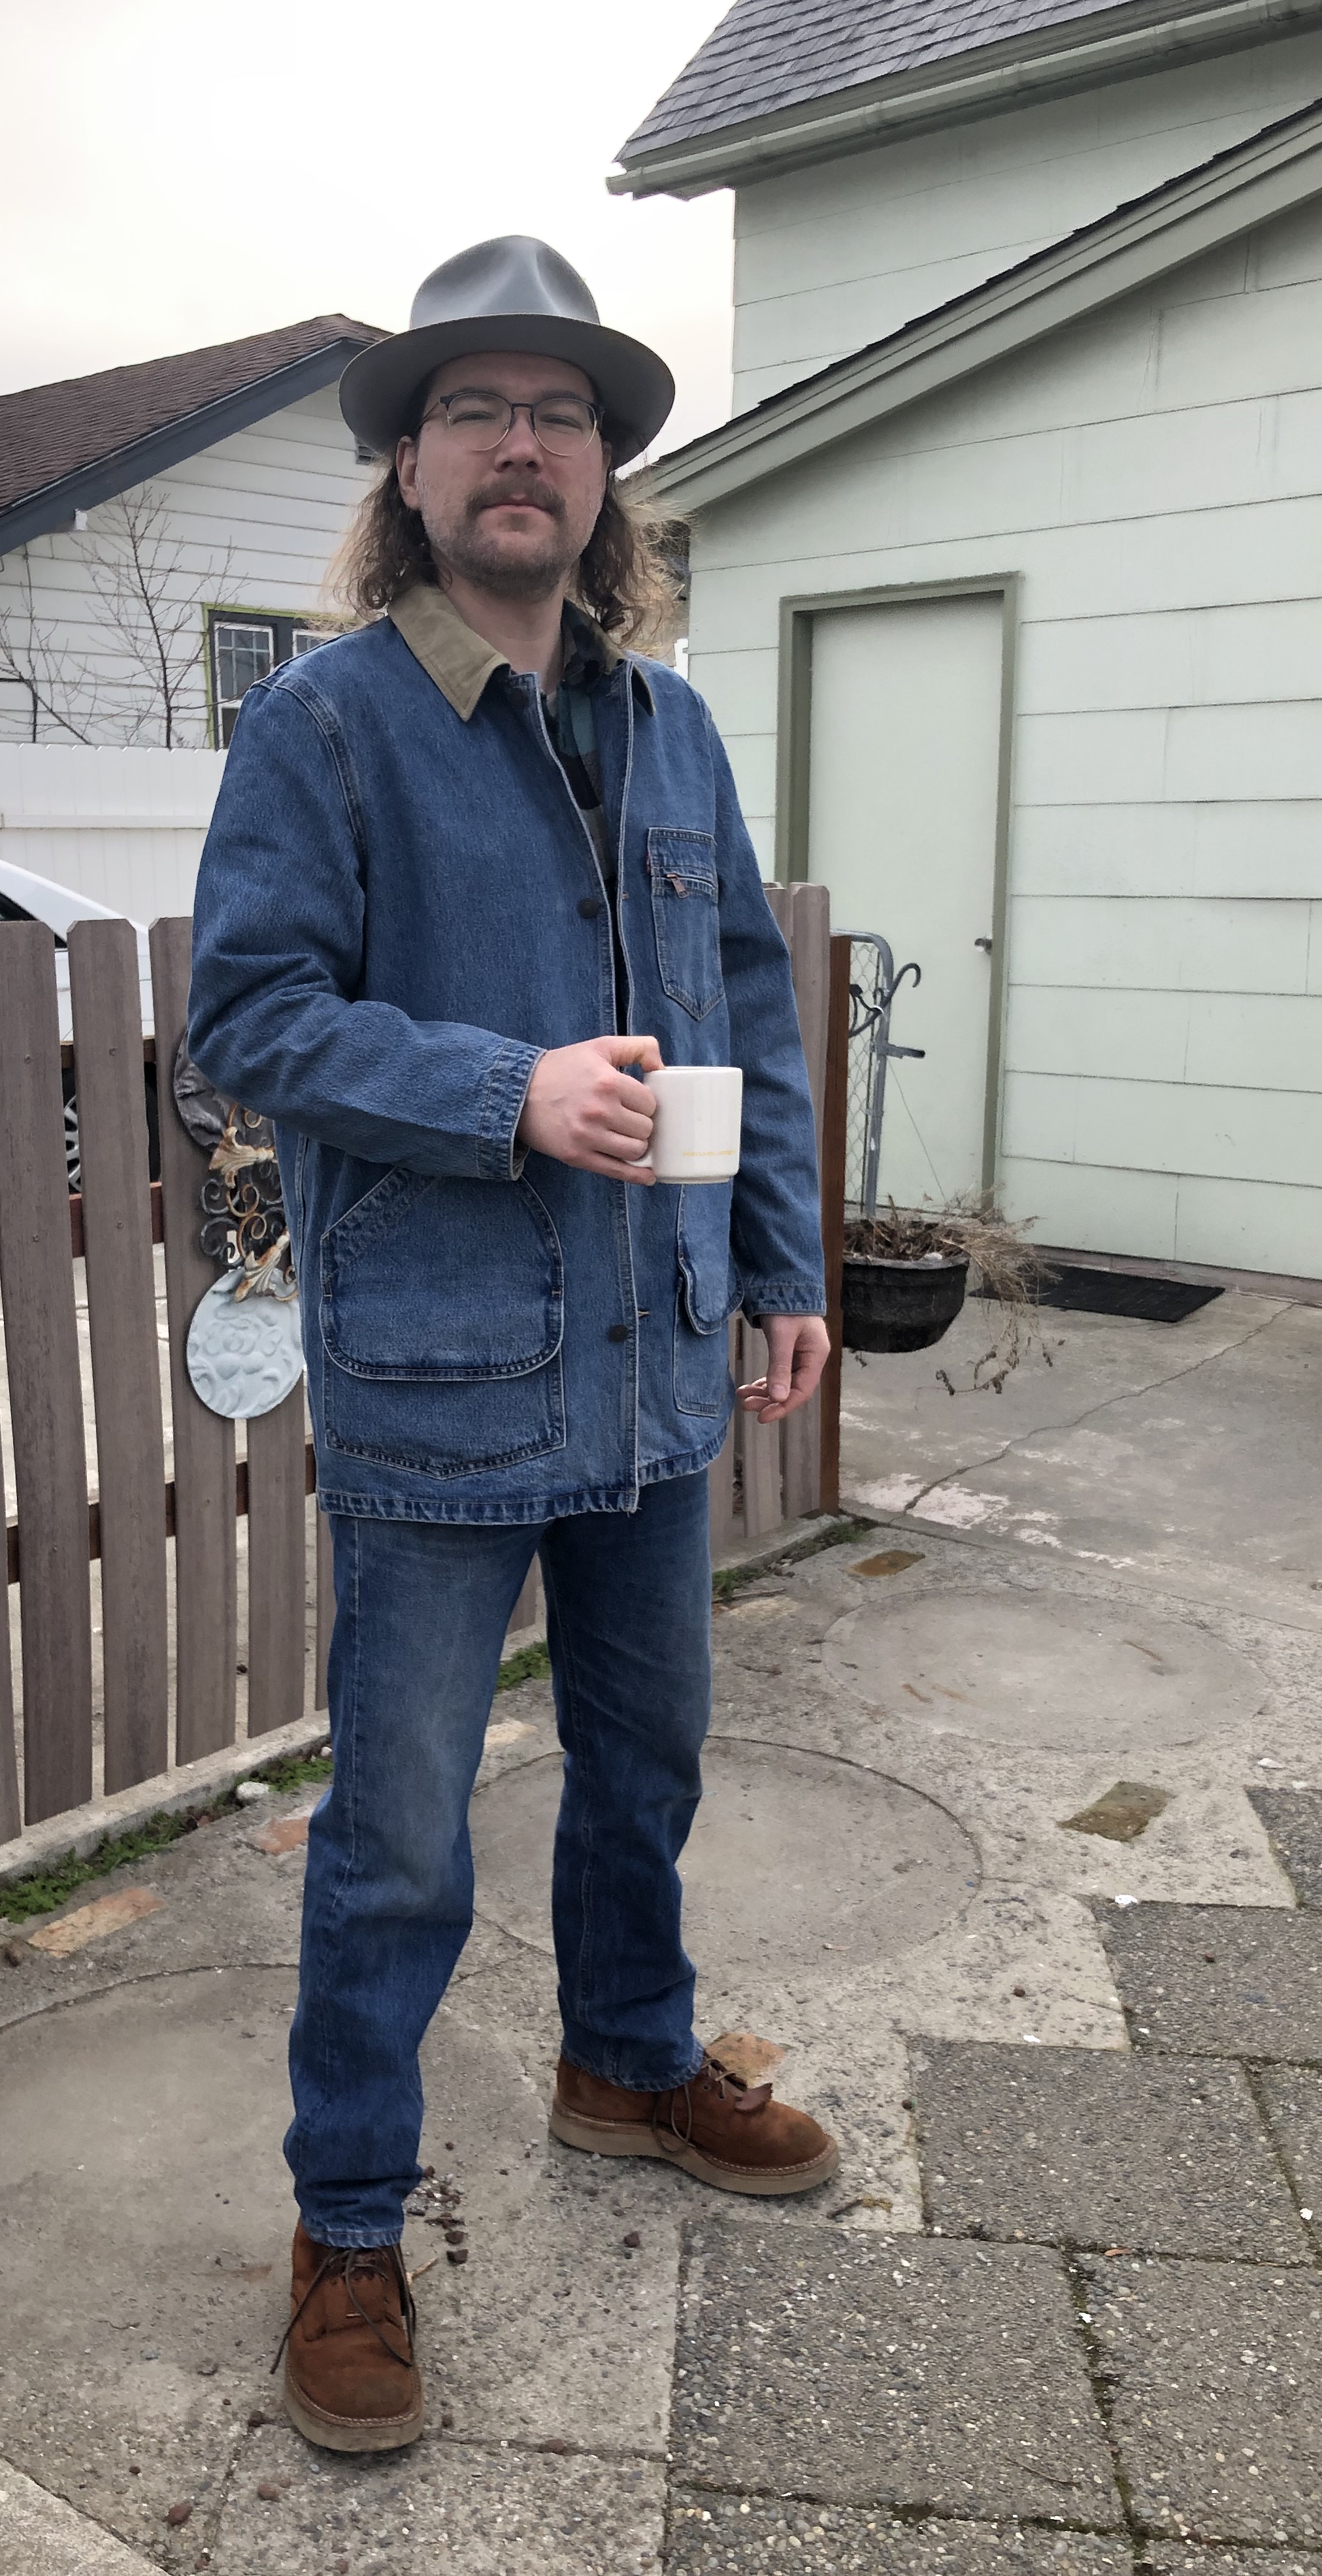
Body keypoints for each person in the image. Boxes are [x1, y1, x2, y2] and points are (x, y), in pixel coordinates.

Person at [188, 235, 836, 2456]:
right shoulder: (322, 725)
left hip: (653, 1363)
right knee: (397, 1844)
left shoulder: (672, 728)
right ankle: (348, 2225)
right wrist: (508, 1091)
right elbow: (247, 1018)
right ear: (410, 465)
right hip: (443, 1383)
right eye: (475, 408)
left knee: (649, 1764)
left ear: (607, 471)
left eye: (561, 412)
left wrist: (782, 1262)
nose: (521, 445)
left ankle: (626, 2066)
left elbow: (744, 1013)